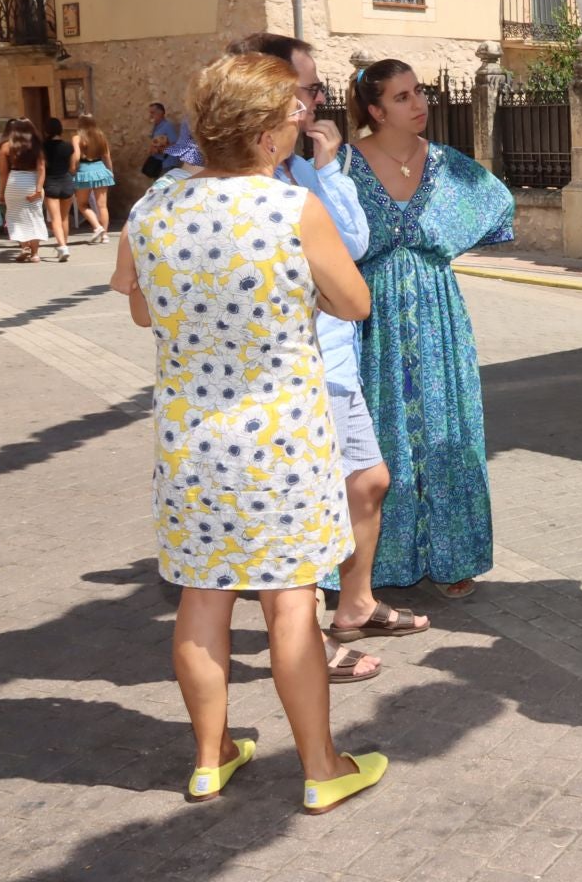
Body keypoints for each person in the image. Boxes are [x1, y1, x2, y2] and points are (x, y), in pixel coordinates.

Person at [109, 53, 389, 813]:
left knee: (202, 595)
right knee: (289, 598)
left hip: (190, 438)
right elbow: (355, 302)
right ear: (266, 137)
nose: (300, 126)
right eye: (292, 118)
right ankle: (322, 766)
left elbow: (140, 310)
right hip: (280, 438)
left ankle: (209, 757)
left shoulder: (154, 205)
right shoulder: (287, 209)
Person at [225, 33, 428, 682]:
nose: (318, 100)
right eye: (308, 89)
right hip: (293, 370)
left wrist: (333, 166)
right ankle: (307, 640)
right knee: (304, 509)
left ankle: (355, 603)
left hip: (335, 357)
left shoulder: (305, 166)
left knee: (368, 482)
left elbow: (357, 239)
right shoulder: (241, 182)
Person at [343, 59, 515, 598]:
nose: (418, 103)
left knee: (446, 430)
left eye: (419, 92)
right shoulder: (343, 166)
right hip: (369, 317)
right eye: (401, 97)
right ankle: (374, 564)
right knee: (379, 431)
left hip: (438, 313)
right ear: (374, 110)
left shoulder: (447, 163)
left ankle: (452, 554)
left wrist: (442, 244)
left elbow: (498, 205)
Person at [1, 119, 46, 261]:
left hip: (14, 182)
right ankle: (35, 253)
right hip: (31, 182)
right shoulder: (36, 147)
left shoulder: (6, 147)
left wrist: (1, 192)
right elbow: (41, 169)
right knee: (34, 217)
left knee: (16, 217)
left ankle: (24, 247)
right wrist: (38, 190)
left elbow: (3, 173)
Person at [71, 114, 115, 243]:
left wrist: (73, 168)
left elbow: (77, 157)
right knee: (102, 206)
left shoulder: (77, 138)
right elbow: (107, 156)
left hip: (85, 171)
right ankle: (105, 235)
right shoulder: (101, 137)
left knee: (82, 204)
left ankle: (97, 226)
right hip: (100, 169)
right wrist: (110, 172)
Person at [40, 116, 76, 260]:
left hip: (51, 182)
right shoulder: (69, 146)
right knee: (64, 217)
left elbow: (42, 166)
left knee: (55, 218)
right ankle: (64, 244)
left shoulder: (42, 146)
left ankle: (62, 246)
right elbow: (73, 167)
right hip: (66, 181)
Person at [148, 102, 182, 175]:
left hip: (168, 164)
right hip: (159, 165)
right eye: (150, 113)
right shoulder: (156, 127)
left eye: (153, 112)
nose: (150, 115)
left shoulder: (167, 126)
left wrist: (159, 150)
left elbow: (175, 144)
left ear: (161, 112)